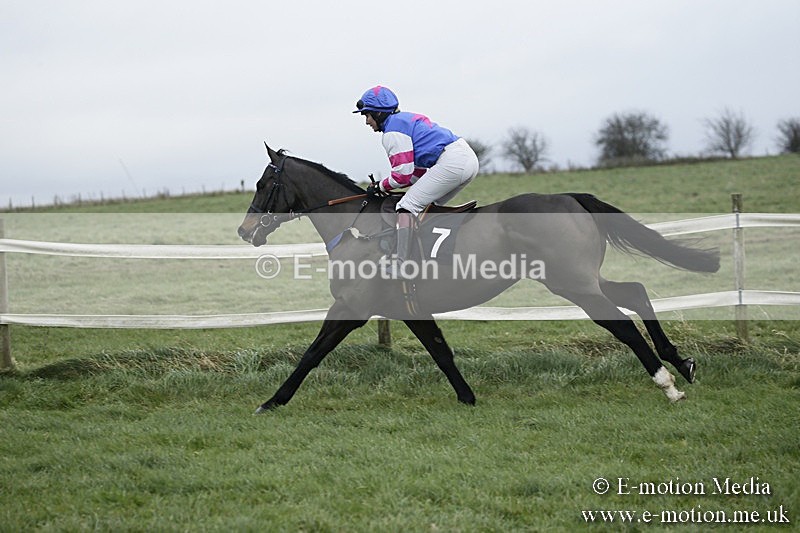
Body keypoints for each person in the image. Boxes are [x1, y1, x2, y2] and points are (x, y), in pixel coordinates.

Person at [353, 85, 479, 274]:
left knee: (406, 207)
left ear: (379, 113)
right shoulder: (403, 121)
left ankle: (401, 264)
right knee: (424, 207)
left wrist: (379, 186)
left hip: (453, 162)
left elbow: (401, 175)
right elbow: (416, 175)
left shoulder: (392, 132)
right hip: (464, 158)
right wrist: (389, 187)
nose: (366, 121)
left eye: (367, 115)